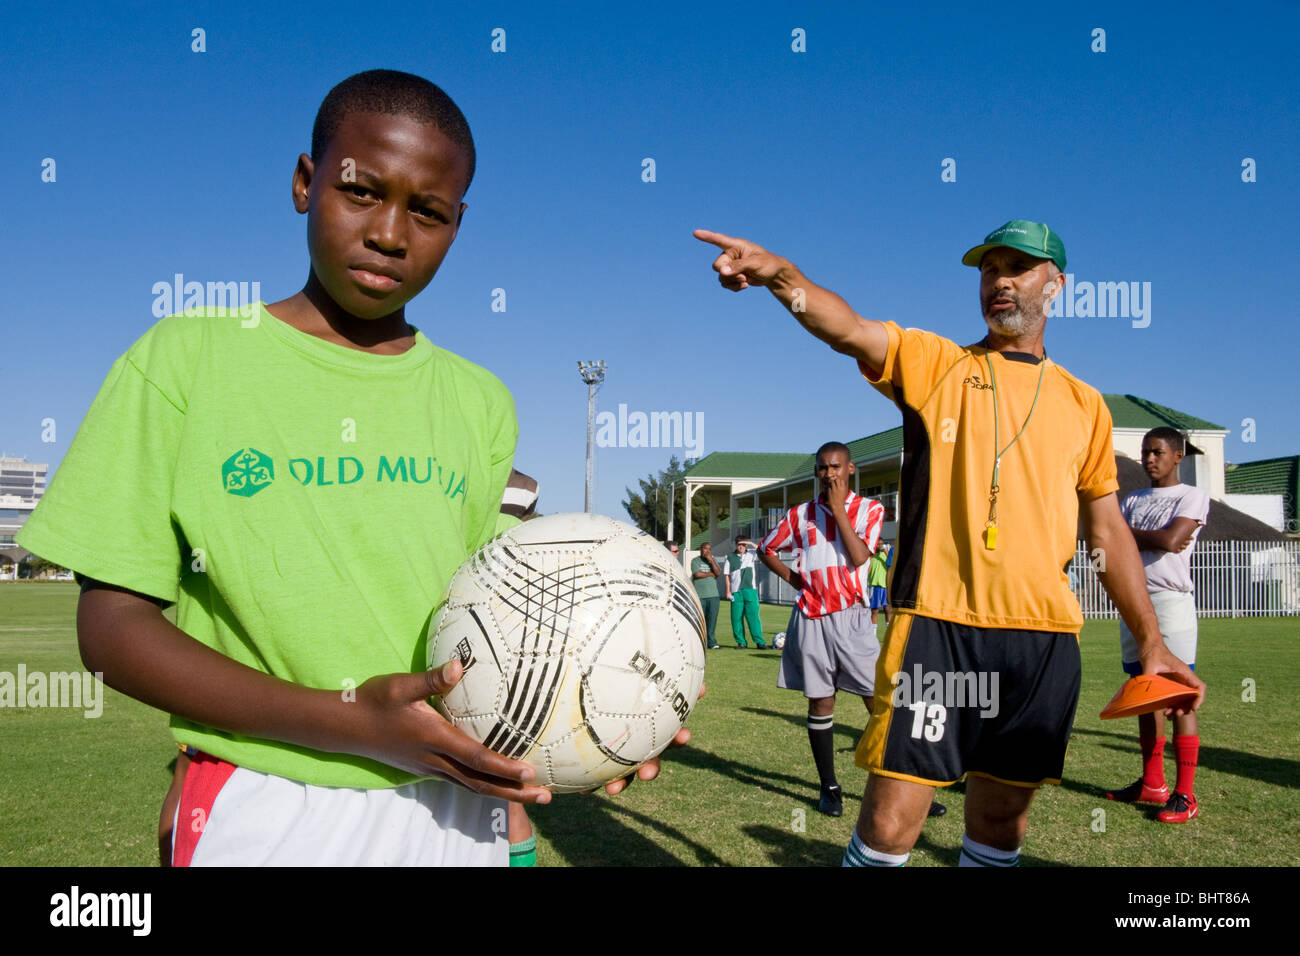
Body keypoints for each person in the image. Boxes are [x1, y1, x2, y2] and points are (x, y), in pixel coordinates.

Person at [19, 69, 685, 868]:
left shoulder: (480, 402)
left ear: (458, 224)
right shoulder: (185, 360)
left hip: (453, 806)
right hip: (269, 798)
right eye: (362, 192)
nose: (391, 233)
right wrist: (349, 721)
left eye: (429, 212)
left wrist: (607, 711)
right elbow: (111, 630)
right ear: (306, 183)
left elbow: (488, 630)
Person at [697, 220, 1203, 867]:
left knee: (999, 822)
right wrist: (781, 277)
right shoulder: (937, 365)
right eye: (990, 269)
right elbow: (847, 328)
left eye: (1018, 267)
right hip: (940, 628)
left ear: (1057, 286)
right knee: (891, 821)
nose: (1000, 281)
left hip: (1042, 641)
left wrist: (1153, 642)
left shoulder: (1085, 406)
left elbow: (1106, 531)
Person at [757, 444, 887, 815]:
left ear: (850, 469)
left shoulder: (869, 509)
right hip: (812, 618)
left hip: (853, 616)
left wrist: (837, 511)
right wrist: (795, 580)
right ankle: (829, 787)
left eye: (835, 467)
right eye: (821, 468)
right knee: (821, 702)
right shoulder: (800, 514)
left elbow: (860, 555)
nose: (829, 474)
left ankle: (901, 783)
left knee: (877, 701)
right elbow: (767, 548)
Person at [1106, 428, 1209, 823]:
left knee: (1179, 695)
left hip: (1169, 602)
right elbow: (1116, 542)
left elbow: (1171, 540)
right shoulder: (1132, 498)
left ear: (1178, 454)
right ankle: (1152, 782)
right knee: (1143, 692)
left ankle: (1185, 794)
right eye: (1145, 453)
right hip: (1133, 602)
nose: (1149, 459)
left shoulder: (1192, 496)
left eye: (1158, 452)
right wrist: (1145, 538)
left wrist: (1130, 536)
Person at [725, 535, 768, 649]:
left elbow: (762, 549)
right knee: (736, 618)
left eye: (743, 545)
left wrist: (748, 542)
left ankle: (760, 642)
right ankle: (741, 642)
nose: (741, 547)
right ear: (736, 545)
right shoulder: (730, 557)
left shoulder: (751, 554)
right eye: (739, 545)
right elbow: (727, 576)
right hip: (736, 592)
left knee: (753, 617)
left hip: (750, 590)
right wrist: (728, 591)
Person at [691, 542, 724, 650]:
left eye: (709, 549)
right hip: (700, 595)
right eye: (705, 548)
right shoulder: (695, 561)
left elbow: (718, 573)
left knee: (712, 620)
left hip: (713, 595)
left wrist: (711, 561)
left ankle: (712, 642)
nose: (707, 551)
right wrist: (710, 574)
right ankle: (699, 641)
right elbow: (697, 574)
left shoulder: (712, 561)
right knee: (700, 620)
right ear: (701, 549)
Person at [868, 542, 891, 628]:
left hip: (886, 587)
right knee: (875, 611)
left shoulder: (886, 554)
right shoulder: (871, 555)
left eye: (882, 544)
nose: (880, 545)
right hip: (874, 586)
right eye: (878, 544)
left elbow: (892, 561)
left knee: (888, 610)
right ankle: (873, 635)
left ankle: (888, 633)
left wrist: (885, 551)